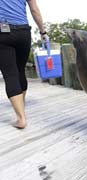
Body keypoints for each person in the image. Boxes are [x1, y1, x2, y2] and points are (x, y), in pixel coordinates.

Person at [0, 0, 49, 129]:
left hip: (2, 32)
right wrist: (43, 32)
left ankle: (21, 118)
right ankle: (21, 104)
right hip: (23, 32)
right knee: (20, 71)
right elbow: (34, 10)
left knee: (10, 74)